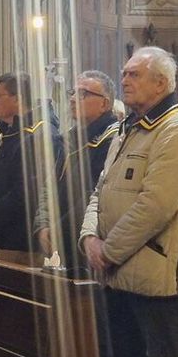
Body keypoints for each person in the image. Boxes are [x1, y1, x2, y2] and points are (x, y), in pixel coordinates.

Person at [79, 46, 178, 357]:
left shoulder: (177, 130)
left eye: (134, 74)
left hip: (153, 274)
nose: (125, 80)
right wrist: (89, 238)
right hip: (115, 273)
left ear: (161, 83)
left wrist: (108, 251)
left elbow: (156, 205)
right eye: (125, 73)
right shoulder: (128, 128)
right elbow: (100, 191)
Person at [0, 72, 64, 264]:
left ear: (18, 99)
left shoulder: (40, 134)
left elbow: (26, 193)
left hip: (20, 241)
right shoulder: (0, 134)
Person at [36, 71, 118, 270]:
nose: (73, 99)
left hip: (91, 242)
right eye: (72, 93)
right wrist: (43, 223)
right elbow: (50, 185)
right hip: (62, 241)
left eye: (83, 94)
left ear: (104, 104)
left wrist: (57, 231)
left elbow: (93, 196)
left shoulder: (113, 139)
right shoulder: (69, 138)